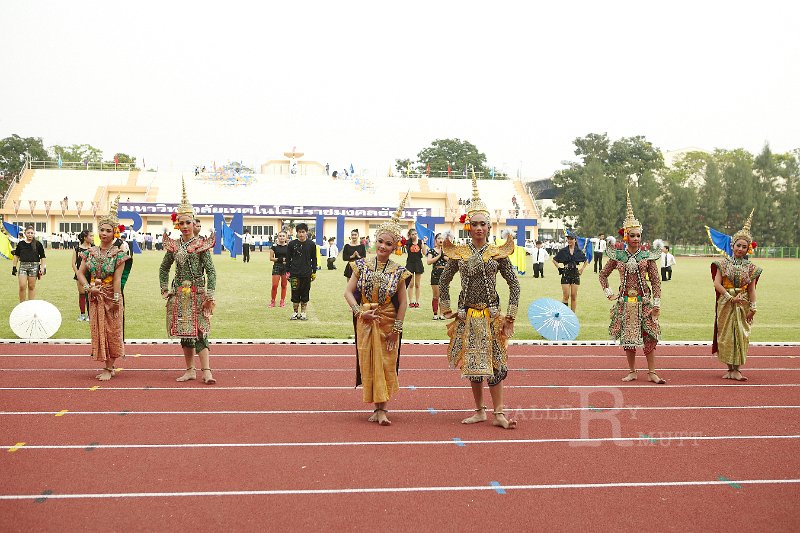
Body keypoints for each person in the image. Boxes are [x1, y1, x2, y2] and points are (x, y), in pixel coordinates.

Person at [439, 171, 520, 429]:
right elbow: (443, 281)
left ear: (489, 227)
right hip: (467, 315)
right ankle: (480, 410)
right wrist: (448, 308)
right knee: (473, 366)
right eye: (475, 224)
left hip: (491, 315)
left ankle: (499, 413)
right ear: (468, 226)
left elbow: (514, 284)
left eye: (483, 224)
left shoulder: (498, 252)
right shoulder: (459, 253)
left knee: (496, 365)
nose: (479, 228)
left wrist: (510, 314)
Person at [343, 195, 411, 426]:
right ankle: (376, 408)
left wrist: (397, 330)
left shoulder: (399, 270)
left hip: (389, 323)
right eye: (380, 241)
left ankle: (383, 409)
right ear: (374, 240)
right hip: (365, 320)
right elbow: (348, 293)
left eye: (388, 244)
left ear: (395, 246)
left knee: (386, 363)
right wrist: (360, 312)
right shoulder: (360, 265)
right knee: (369, 362)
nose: (383, 246)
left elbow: (403, 302)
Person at [599, 191, 665, 384]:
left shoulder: (647, 256)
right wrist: (608, 292)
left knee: (650, 336)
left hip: (644, 302)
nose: (636, 238)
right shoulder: (617, 256)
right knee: (628, 339)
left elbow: (655, 281)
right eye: (632, 235)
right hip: (625, 301)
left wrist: (657, 302)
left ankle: (652, 372)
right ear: (625, 236)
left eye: (638, 235)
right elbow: (603, 274)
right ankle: (632, 371)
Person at [159, 179, 217, 384]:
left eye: (187, 222)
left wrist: (210, 294)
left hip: (198, 294)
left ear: (194, 223)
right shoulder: (173, 246)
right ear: (177, 224)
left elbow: (211, 271)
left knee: (201, 332)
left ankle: (207, 371)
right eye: (181, 223)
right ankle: (190, 370)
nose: (184, 226)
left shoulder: (202, 244)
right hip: (180, 296)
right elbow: (164, 268)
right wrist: (164, 288)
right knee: (185, 333)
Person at [75, 197, 130, 381]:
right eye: (102, 230)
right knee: (98, 329)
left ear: (115, 233)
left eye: (108, 230)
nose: (104, 233)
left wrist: (116, 300)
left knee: (112, 330)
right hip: (94, 296)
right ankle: (108, 365)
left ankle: (109, 367)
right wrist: (89, 288)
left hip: (111, 296)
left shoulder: (118, 254)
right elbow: (80, 273)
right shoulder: (89, 252)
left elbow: (117, 279)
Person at [708, 210, 762, 381]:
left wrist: (753, 308)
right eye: (738, 245)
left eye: (744, 246)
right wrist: (729, 297)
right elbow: (717, 283)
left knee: (740, 334)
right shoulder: (722, 264)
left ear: (748, 249)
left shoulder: (751, 268)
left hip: (743, 303)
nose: (740, 249)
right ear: (732, 245)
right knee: (725, 334)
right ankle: (729, 368)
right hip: (726, 302)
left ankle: (737, 369)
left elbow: (752, 289)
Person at [286, 222, 317, 320]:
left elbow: (314, 258)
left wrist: (314, 271)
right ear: (297, 233)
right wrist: (287, 272)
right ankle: (295, 312)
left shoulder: (311, 244)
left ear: (306, 232)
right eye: (299, 232)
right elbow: (288, 258)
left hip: (307, 273)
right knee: (295, 293)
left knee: (305, 293)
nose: (301, 234)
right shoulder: (292, 244)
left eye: (303, 232)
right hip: (294, 273)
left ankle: (303, 313)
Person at [552, 234, 587, 311]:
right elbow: (554, 260)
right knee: (566, 296)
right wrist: (559, 268)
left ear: (575, 240)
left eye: (571, 239)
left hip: (575, 273)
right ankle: (565, 314)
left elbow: (586, 260)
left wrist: (582, 269)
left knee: (574, 296)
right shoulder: (563, 250)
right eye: (568, 239)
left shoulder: (578, 251)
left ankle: (572, 315)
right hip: (566, 273)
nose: (569, 240)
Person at [12, 225, 46, 302]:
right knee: (22, 286)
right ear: (25, 233)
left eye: (32, 233)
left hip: (34, 267)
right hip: (23, 266)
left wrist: (42, 268)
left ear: (34, 234)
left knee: (31, 286)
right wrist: (14, 267)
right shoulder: (21, 244)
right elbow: (16, 256)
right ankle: (22, 304)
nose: (30, 234)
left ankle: (30, 304)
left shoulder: (38, 244)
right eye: (28, 233)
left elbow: (43, 257)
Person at [71, 229, 93, 321]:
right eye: (90, 236)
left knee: (90, 294)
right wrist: (78, 274)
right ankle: (82, 314)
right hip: (80, 275)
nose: (92, 238)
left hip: (92, 274)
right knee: (82, 294)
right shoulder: (77, 248)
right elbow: (73, 263)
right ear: (85, 237)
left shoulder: (94, 248)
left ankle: (90, 315)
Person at [425, 233, 448, 320]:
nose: (441, 240)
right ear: (436, 240)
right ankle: (435, 314)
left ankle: (442, 314)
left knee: (443, 295)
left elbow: (449, 260)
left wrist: (443, 255)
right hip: (435, 273)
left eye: (442, 238)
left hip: (445, 273)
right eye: (439, 238)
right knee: (436, 295)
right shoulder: (432, 250)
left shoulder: (446, 250)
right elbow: (429, 261)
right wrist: (439, 256)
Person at [404, 228, 426, 308]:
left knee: (417, 284)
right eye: (412, 234)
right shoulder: (408, 243)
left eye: (415, 234)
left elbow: (424, 253)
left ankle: (417, 302)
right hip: (410, 264)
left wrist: (424, 243)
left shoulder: (420, 242)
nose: (414, 235)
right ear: (410, 235)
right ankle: (411, 302)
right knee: (411, 284)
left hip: (418, 264)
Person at [269, 231, 289, 308]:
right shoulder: (274, 247)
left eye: (283, 236)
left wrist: (286, 261)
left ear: (286, 237)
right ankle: (273, 301)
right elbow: (271, 258)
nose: (282, 237)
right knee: (274, 285)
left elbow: (290, 258)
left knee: (284, 285)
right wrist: (280, 259)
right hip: (277, 266)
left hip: (285, 267)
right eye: (280, 236)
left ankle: (282, 301)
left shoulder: (288, 247)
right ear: (278, 237)